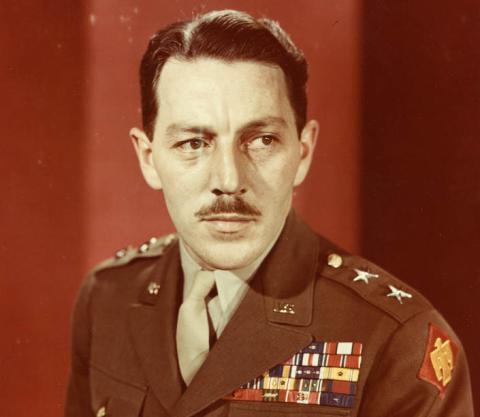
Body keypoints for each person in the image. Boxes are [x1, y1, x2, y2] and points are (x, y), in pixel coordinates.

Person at [64, 9, 474, 417]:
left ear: (303, 151)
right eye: (193, 143)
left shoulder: (396, 340)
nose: (228, 178)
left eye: (261, 140)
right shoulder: (107, 300)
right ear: (148, 158)